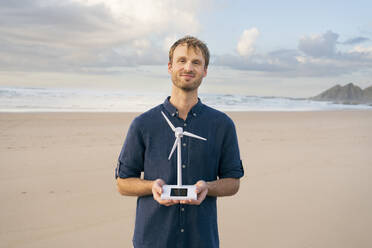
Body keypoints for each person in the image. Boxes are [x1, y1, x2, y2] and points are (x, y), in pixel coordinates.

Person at [115, 36, 244, 248]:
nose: (188, 67)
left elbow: (233, 182)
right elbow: (122, 183)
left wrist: (207, 187)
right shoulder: (143, 124)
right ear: (170, 67)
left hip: (201, 239)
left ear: (205, 71)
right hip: (153, 239)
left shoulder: (222, 124)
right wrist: (151, 187)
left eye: (196, 62)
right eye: (181, 60)